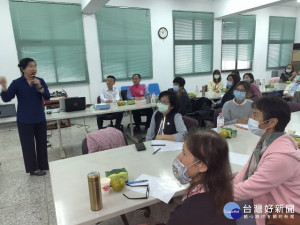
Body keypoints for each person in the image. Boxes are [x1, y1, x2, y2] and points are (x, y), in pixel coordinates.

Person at [233, 96, 300, 225]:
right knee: (225, 209)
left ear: (272, 122)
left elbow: (250, 188)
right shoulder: (267, 141)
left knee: (226, 215)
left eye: (255, 115)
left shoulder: (281, 157)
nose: (251, 119)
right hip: (267, 198)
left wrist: (218, 195)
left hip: (284, 212)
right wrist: (226, 188)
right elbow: (245, 172)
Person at [166, 129, 236, 225]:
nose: (178, 157)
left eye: (184, 153)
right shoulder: (223, 190)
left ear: (202, 166)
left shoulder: (186, 213)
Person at [0, 58, 50, 176]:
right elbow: (7, 98)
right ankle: (33, 169)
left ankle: (43, 165)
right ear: (23, 69)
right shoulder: (17, 83)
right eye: (30, 66)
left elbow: (47, 96)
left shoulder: (40, 80)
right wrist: (3, 86)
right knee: (28, 145)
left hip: (39, 117)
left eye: (35, 66)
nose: (34, 68)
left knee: (42, 143)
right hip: (24, 119)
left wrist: (40, 86)